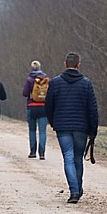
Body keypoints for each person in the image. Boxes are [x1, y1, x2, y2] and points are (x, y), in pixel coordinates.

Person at [44, 52, 99, 203]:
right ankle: (77, 188)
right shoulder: (86, 83)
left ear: (65, 64)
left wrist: (53, 122)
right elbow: (92, 109)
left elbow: (48, 105)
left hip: (62, 125)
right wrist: (93, 130)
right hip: (81, 127)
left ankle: (74, 190)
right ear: (78, 65)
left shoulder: (55, 83)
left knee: (68, 157)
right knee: (77, 159)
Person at [22, 60, 49, 159]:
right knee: (42, 131)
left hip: (32, 107)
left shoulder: (29, 79)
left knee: (32, 130)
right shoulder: (46, 79)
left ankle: (33, 152)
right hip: (43, 107)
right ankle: (42, 153)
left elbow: (25, 93)